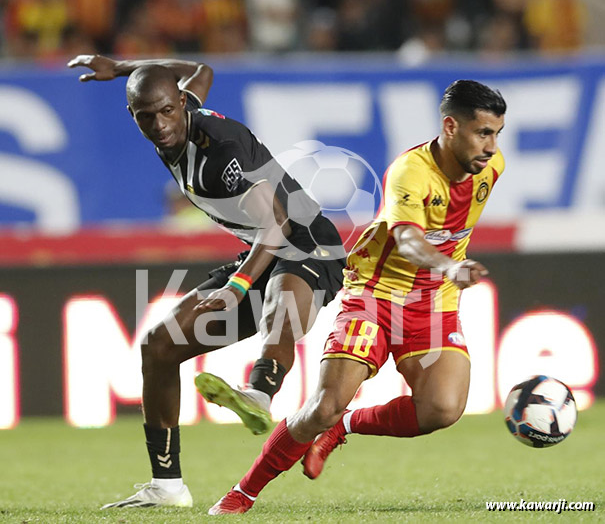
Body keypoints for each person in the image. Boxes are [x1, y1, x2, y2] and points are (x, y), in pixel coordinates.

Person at [208, 79, 507, 515]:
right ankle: (243, 492)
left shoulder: (492, 167)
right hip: (375, 293)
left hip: (432, 299)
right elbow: (406, 240)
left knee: (442, 408)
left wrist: (445, 274)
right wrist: (450, 266)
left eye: (497, 133)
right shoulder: (411, 172)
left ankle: (347, 426)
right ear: (450, 126)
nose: (491, 145)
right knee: (323, 407)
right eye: (483, 133)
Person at [67, 54, 345, 509]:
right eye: (146, 116)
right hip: (259, 250)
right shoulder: (179, 107)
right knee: (159, 346)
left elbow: (276, 229)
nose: (159, 124)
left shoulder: (221, 153)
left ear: (181, 104)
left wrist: (236, 287)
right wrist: (119, 68)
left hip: (308, 243)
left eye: (166, 111)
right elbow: (201, 68)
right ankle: (167, 486)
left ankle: (257, 392)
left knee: (279, 299)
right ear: (133, 114)